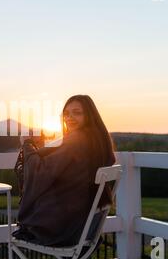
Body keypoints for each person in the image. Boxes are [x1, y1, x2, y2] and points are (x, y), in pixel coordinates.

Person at [13, 95, 116, 247]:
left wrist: (27, 145)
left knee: (24, 228)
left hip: (65, 229)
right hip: (87, 225)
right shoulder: (97, 139)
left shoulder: (77, 139)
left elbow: (41, 171)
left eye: (77, 112)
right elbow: (63, 163)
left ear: (89, 115)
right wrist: (41, 150)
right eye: (66, 113)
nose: (70, 117)